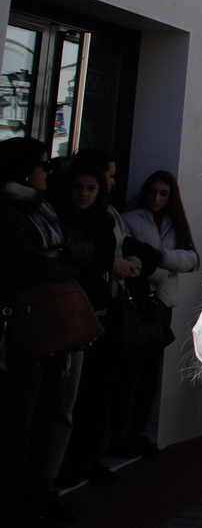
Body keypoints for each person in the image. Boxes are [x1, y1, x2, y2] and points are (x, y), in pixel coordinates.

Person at [1, 137, 92, 524]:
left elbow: (81, 249)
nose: (49, 171)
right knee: (18, 419)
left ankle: (39, 492)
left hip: (56, 326)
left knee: (51, 414)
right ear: (24, 170)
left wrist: (62, 256)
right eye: (43, 165)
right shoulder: (7, 211)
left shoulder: (45, 206)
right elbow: (28, 266)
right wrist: (63, 259)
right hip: (22, 330)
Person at [56, 151, 139, 488]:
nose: (85, 193)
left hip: (101, 312)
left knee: (93, 393)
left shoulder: (108, 219)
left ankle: (82, 457)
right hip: (68, 317)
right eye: (80, 186)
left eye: (92, 187)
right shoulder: (59, 218)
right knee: (63, 401)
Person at [110, 170, 198, 458]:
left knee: (150, 373)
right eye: (152, 192)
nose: (156, 199)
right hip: (134, 302)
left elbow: (191, 260)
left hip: (161, 305)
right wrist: (161, 265)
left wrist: (158, 257)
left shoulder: (175, 224)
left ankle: (138, 432)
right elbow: (130, 259)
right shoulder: (130, 219)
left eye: (163, 194)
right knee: (128, 371)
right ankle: (120, 434)